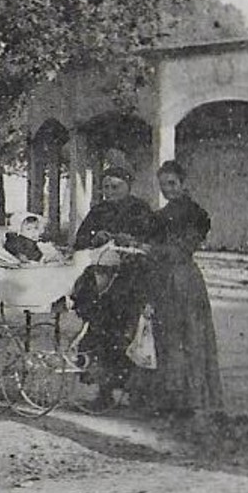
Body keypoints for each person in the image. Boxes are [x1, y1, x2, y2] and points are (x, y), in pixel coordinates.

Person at [133, 161, 223, 418]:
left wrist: (154, 250)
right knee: (166, 339)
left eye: (172, 184)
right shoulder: (159, 216)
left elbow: (184, 249)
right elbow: (151, 242)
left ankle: (190, 401)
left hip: (184, 281)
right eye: (163, 186)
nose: (168, 190)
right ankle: (170, 400)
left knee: (189, 338)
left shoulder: (197, 214)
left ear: (183, 184)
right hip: (162, 280)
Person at [69, 166, 156, 411]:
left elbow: (152, 243)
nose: (109, 192)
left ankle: (134, 393)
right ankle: (103, 392)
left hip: (132, 280)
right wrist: (96, 238)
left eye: (115, 187)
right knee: (99, 334)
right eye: (106, 187)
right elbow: (80, 240)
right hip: (102, 282)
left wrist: (131, 241)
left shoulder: (141, 210)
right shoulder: (98, 210)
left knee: (129, 335)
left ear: (129, 186)